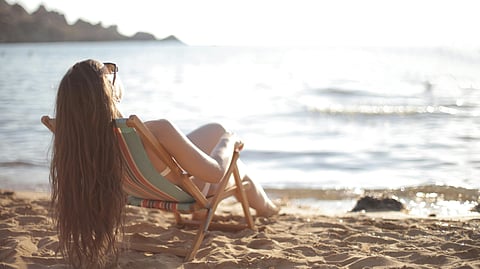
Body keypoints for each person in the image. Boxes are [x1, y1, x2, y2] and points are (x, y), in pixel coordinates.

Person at [49, 59, 278, 267]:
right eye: (110, 72)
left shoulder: (80, 140)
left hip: (149, 189)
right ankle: (269, 209)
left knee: (215, 133)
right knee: (232, 158)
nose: (114, 73)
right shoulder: (157, 130)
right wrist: (230, 140)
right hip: (189, 191)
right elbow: (216, 173)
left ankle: (261, 207)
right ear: (107, 90)